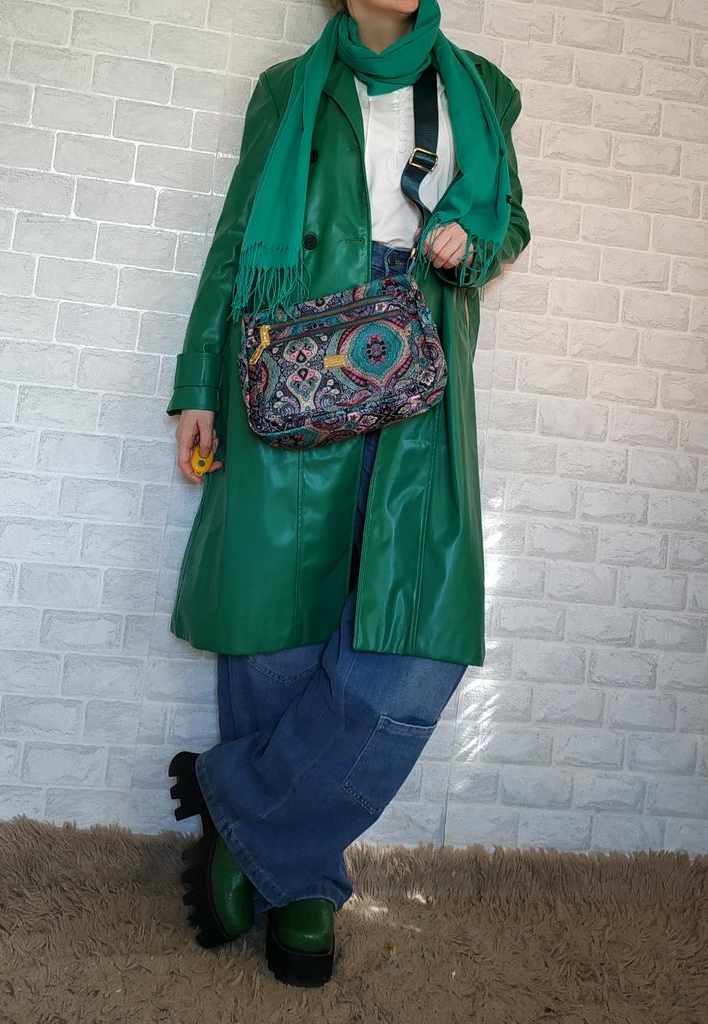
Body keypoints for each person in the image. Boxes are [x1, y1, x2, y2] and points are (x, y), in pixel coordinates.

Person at [166, 0, 530, 989]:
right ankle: (304, 885)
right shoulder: (288, 89)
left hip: (415, 356)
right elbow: (237, 239)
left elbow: (508, 218)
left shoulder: (480, 90)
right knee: (278, 619)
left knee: (414, 637)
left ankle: (243, 813)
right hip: (289, 353)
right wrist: (198, 385)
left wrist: (468, 241)